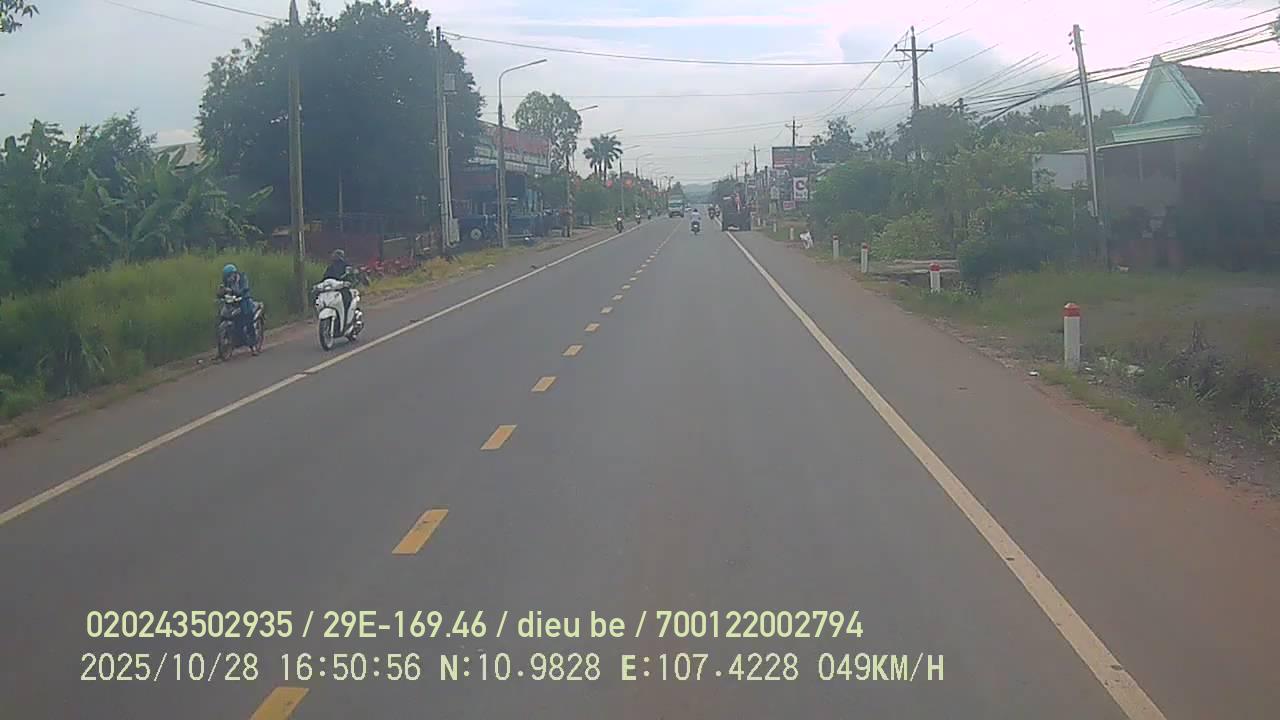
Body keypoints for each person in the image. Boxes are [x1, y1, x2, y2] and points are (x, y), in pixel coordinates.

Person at [220, 263, 257, 347]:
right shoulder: (227, 282)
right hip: (233, 302)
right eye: (227, 277)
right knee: (223, 315)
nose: (229, 278)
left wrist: (235, 291)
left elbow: (244, 289)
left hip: (245, 300)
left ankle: (253, 339)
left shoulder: (242, 278)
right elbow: (222, 292)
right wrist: (221, 293)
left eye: (230, 275)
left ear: (234, 274)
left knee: (248, 316)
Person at [322, 249, 354, 323]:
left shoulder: (346, 265)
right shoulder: (331, 267)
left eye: (338, 255)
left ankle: (346, 319)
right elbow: (325, 277)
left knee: (346, 300)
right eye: (335, 255)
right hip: (333, 288)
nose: (336, 257)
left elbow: (350, 276)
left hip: (343, 288)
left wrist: (347, 281)